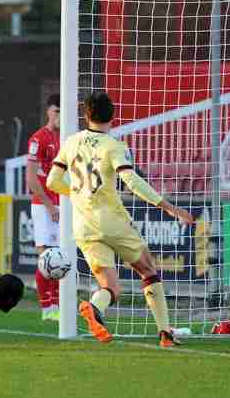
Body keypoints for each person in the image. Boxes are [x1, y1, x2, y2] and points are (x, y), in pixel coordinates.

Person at [47, 92, 194, 347]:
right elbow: (131, 180)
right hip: (112, 221)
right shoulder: (114, 146)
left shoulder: (70, 142)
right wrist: (168, 207)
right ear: (113, 115)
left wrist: (78, 193)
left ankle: (94, 306)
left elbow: (52, 182)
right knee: (147, 270)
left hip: (83, 225)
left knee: (111, 288)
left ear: (86, 115)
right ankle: (165, 333)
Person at [26, 94, 63, 322]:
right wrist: (49, 205)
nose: (60, 116)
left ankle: (59, 305)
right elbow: (31, 179)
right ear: (48, 112)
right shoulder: (38, 139)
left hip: (64, 205)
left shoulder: (69, 138)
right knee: (47, 258)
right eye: (56, 111)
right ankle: (47, 307)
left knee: (63, 257)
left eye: (63, 111)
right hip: (44, 205)